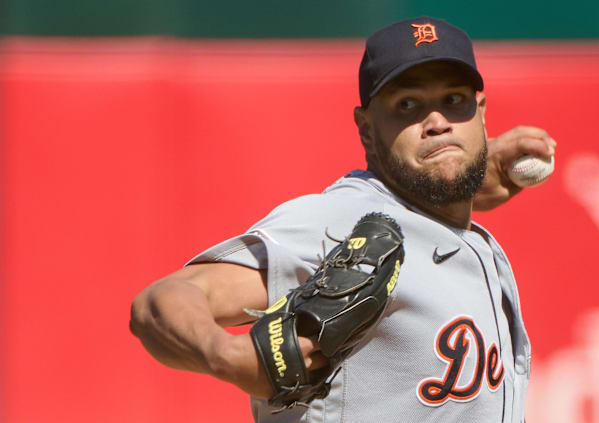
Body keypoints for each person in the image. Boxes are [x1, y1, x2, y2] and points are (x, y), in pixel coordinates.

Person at [130, 16, 555, 423]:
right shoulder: (346, 221)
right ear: (366, 129)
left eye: (454, 101)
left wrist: (467, 179)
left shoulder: (445, 217)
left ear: (480, 112)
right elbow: (161, 302)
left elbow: (421, 212)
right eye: (407, 104)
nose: (438, 122)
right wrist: (228, 357)